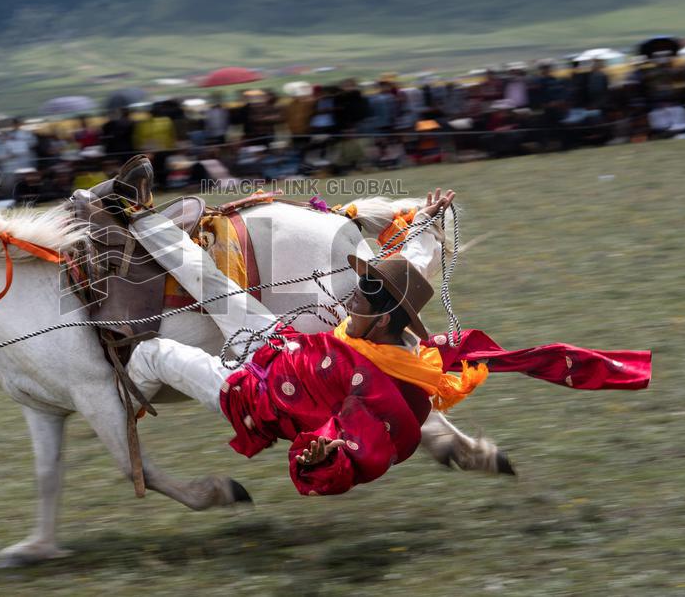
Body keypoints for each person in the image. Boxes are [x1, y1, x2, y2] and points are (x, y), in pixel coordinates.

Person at [126, 190, 472, 496]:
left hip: (255, 396)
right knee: (209, 280)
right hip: (276, 343)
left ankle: (119, 407)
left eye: (360, 300)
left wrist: (323, 458)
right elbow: (413, 263)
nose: (351, 302)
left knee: (151, 353)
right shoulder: (379, 324)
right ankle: (133, 211)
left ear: (381, 320)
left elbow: (364, 456)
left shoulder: (378, 391)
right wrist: (424, 224)